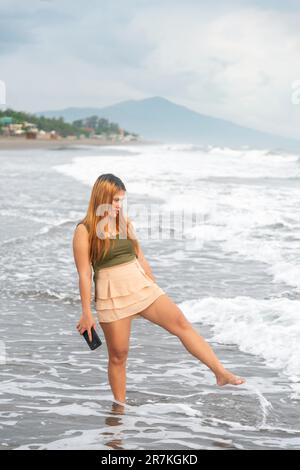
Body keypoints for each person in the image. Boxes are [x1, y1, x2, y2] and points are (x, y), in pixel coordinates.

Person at [73, 173, 245, 406]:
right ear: (101, 197)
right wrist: (86, 313)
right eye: (114, 200)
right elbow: (85, 273)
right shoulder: (84, 230)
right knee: (118, 355)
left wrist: (155, 287)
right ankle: (120, 408)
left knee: (182, 325)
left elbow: (141, 258)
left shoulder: (124, 223)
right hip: (111, 294)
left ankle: (220, 372)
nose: (118, 205)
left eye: (120, 201)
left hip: (141, 285)